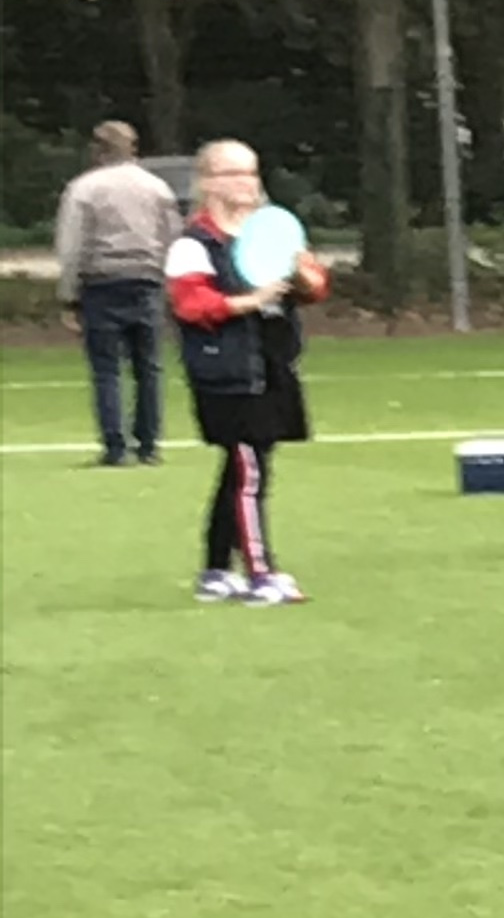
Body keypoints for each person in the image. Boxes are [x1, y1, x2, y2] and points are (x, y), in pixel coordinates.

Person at [162, 142, 330, 601]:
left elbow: (315, 284)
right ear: (208, 182)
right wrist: (249, 301)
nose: (246, 183)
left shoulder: (271, 232)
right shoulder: (194, 244)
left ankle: (216, 570)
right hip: (227, 370)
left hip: (271, 364)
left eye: (251, 173)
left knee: (243, 471)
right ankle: (261, 573)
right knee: (249, 473)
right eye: (233, 173)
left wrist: (302, 277)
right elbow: (192, 305)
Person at [55, 119, 178, 470]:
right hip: (147, 281)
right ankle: (149, 444)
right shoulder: (157, 187)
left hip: (102, 283)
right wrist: (172, 285)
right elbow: (172, 237)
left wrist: (69, 295)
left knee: (106, 369)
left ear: (98, 149)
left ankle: (115, 446)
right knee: (149, 367)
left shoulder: (84, 188)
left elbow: (71, 246)